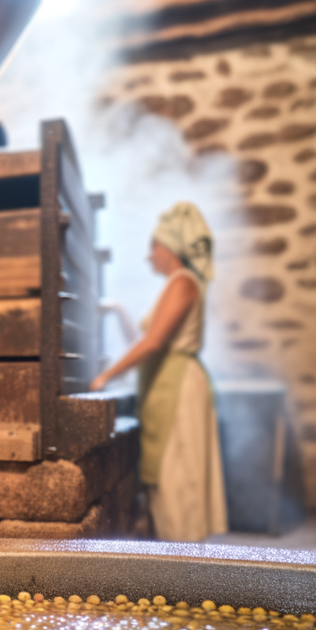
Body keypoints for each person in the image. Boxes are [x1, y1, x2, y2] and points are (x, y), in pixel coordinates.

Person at [90, 202, 226, 542]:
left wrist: (106, 377)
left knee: (178, 478)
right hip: (167, 387)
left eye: (154, 246)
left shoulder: (183, 282)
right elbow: (145, 339)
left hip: (179, 391)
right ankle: (179, 567)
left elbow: (153, 342)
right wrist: (118, 312)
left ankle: (186, 572)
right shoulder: (174, 285)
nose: (150, 256)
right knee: (169, 479)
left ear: (170, 248)